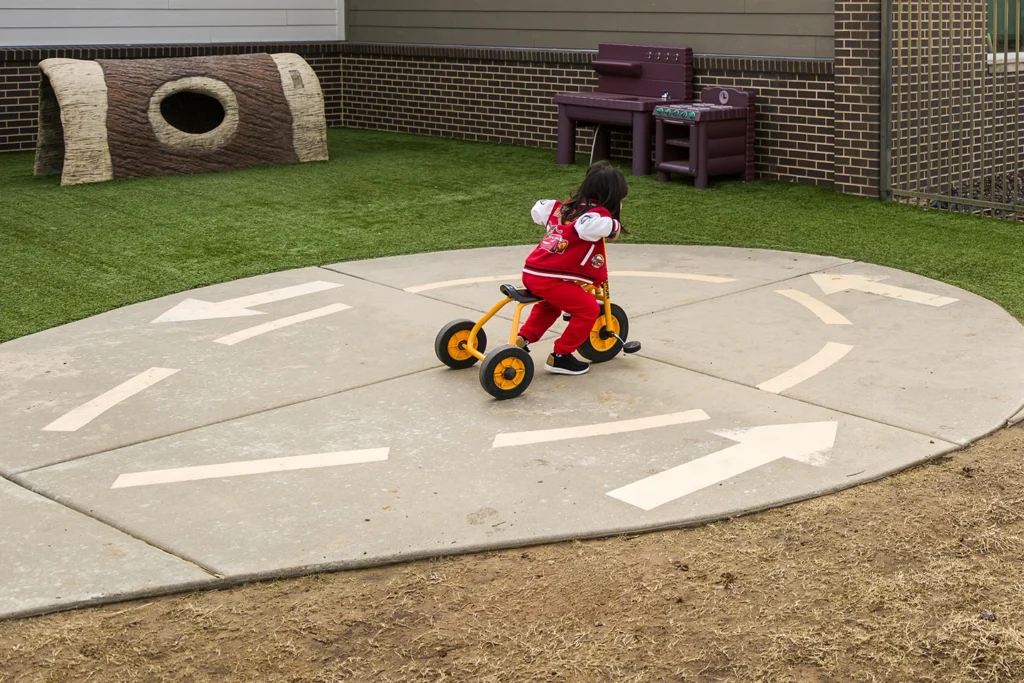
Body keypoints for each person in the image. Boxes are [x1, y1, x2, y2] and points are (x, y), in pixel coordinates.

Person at [516, 161, 628, 376]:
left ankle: (523, 339)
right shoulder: (596, 216)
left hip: (533, 271)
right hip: (551, 278)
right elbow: (591, 228)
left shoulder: (565, 207)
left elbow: (538, 210)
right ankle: (561, 356)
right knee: (589, 310)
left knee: (550, 306)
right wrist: (614, 224)